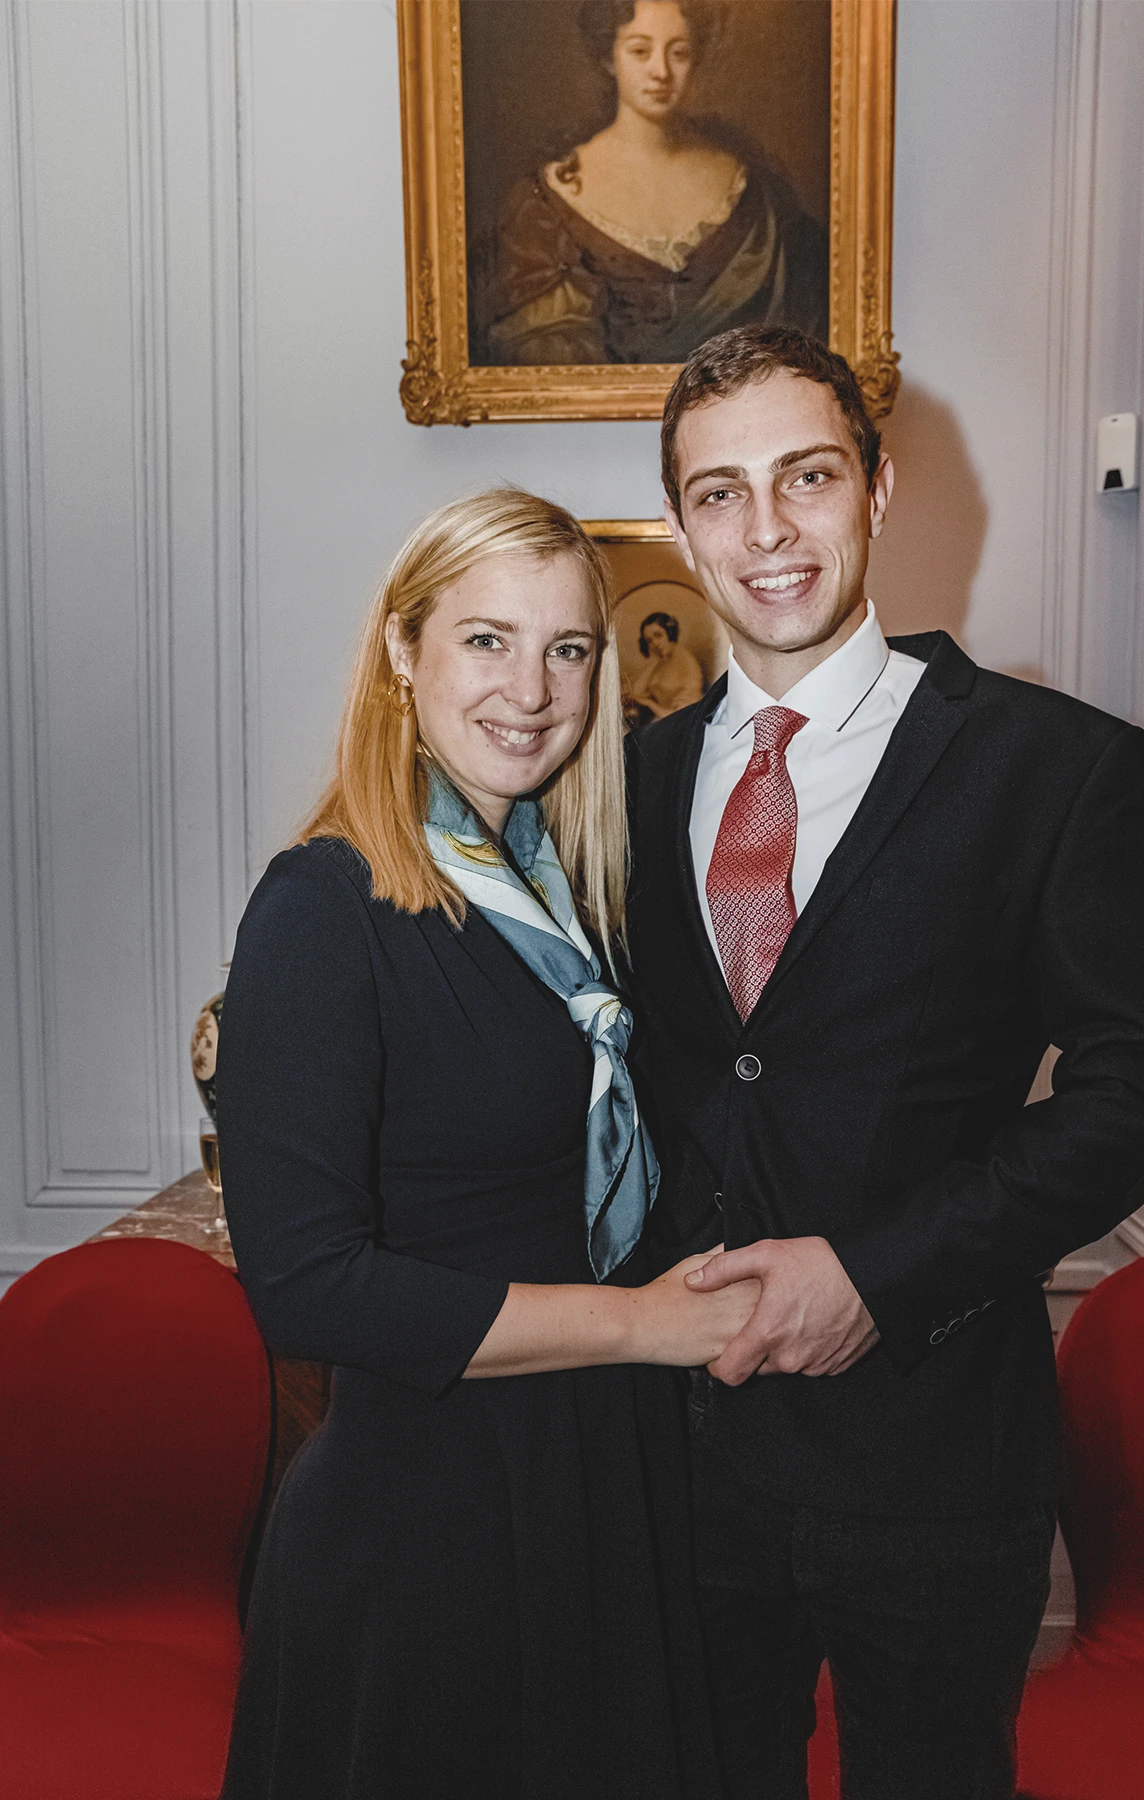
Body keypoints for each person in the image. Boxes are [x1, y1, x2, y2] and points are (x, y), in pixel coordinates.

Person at [625, 325, 1144, 1800]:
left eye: (805, 477)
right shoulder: (611, 788)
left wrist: (878, 1276)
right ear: (681, 524)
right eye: (719, 493)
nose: (766, 531)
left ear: (878, 488)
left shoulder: (1054, 767)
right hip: (663, 1459)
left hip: (938, 1456)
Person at [216, 489, 758, 1800]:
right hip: (432, 1527)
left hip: (604, 1488)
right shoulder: (323, 907)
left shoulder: (566, 901)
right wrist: (638, 1325)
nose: (536, 688)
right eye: (487, 641)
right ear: (402, 656)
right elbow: (302, 1284)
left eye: (571, 648)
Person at [471, 0, 827, 366]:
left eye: (680, 53)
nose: (660, 72)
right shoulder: (553, 195)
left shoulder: (748, 185)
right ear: (609, 58)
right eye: (640, 51)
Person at [627, 610, 707, 719]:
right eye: (649, 641)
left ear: (669, 632)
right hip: (662, 720)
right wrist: (656, 661)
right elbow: (637, 692)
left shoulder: (687, 663)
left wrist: (649, 703)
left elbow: (681, 716)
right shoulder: (662, 661)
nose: (655, 643)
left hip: (679, 723)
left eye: (658, 635)